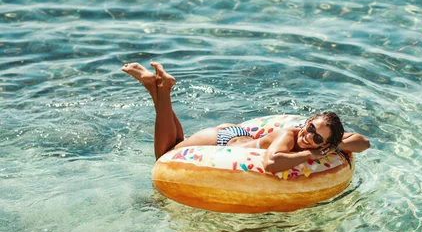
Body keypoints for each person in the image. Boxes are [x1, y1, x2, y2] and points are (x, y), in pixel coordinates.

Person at [122, 62, 370, 173]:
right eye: (310, 126)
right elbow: (272, 164)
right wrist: (310, 153)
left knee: (176, 142)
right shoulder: (289, 135)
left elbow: (363, 143)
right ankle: (161, 90)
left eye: (317, 137)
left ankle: (155, 87)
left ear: (325, 142)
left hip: (239, 138)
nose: (308, 135)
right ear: (308, 121)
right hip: (223, 141)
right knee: (164, 156)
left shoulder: (326, 142)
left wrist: (336, 145)